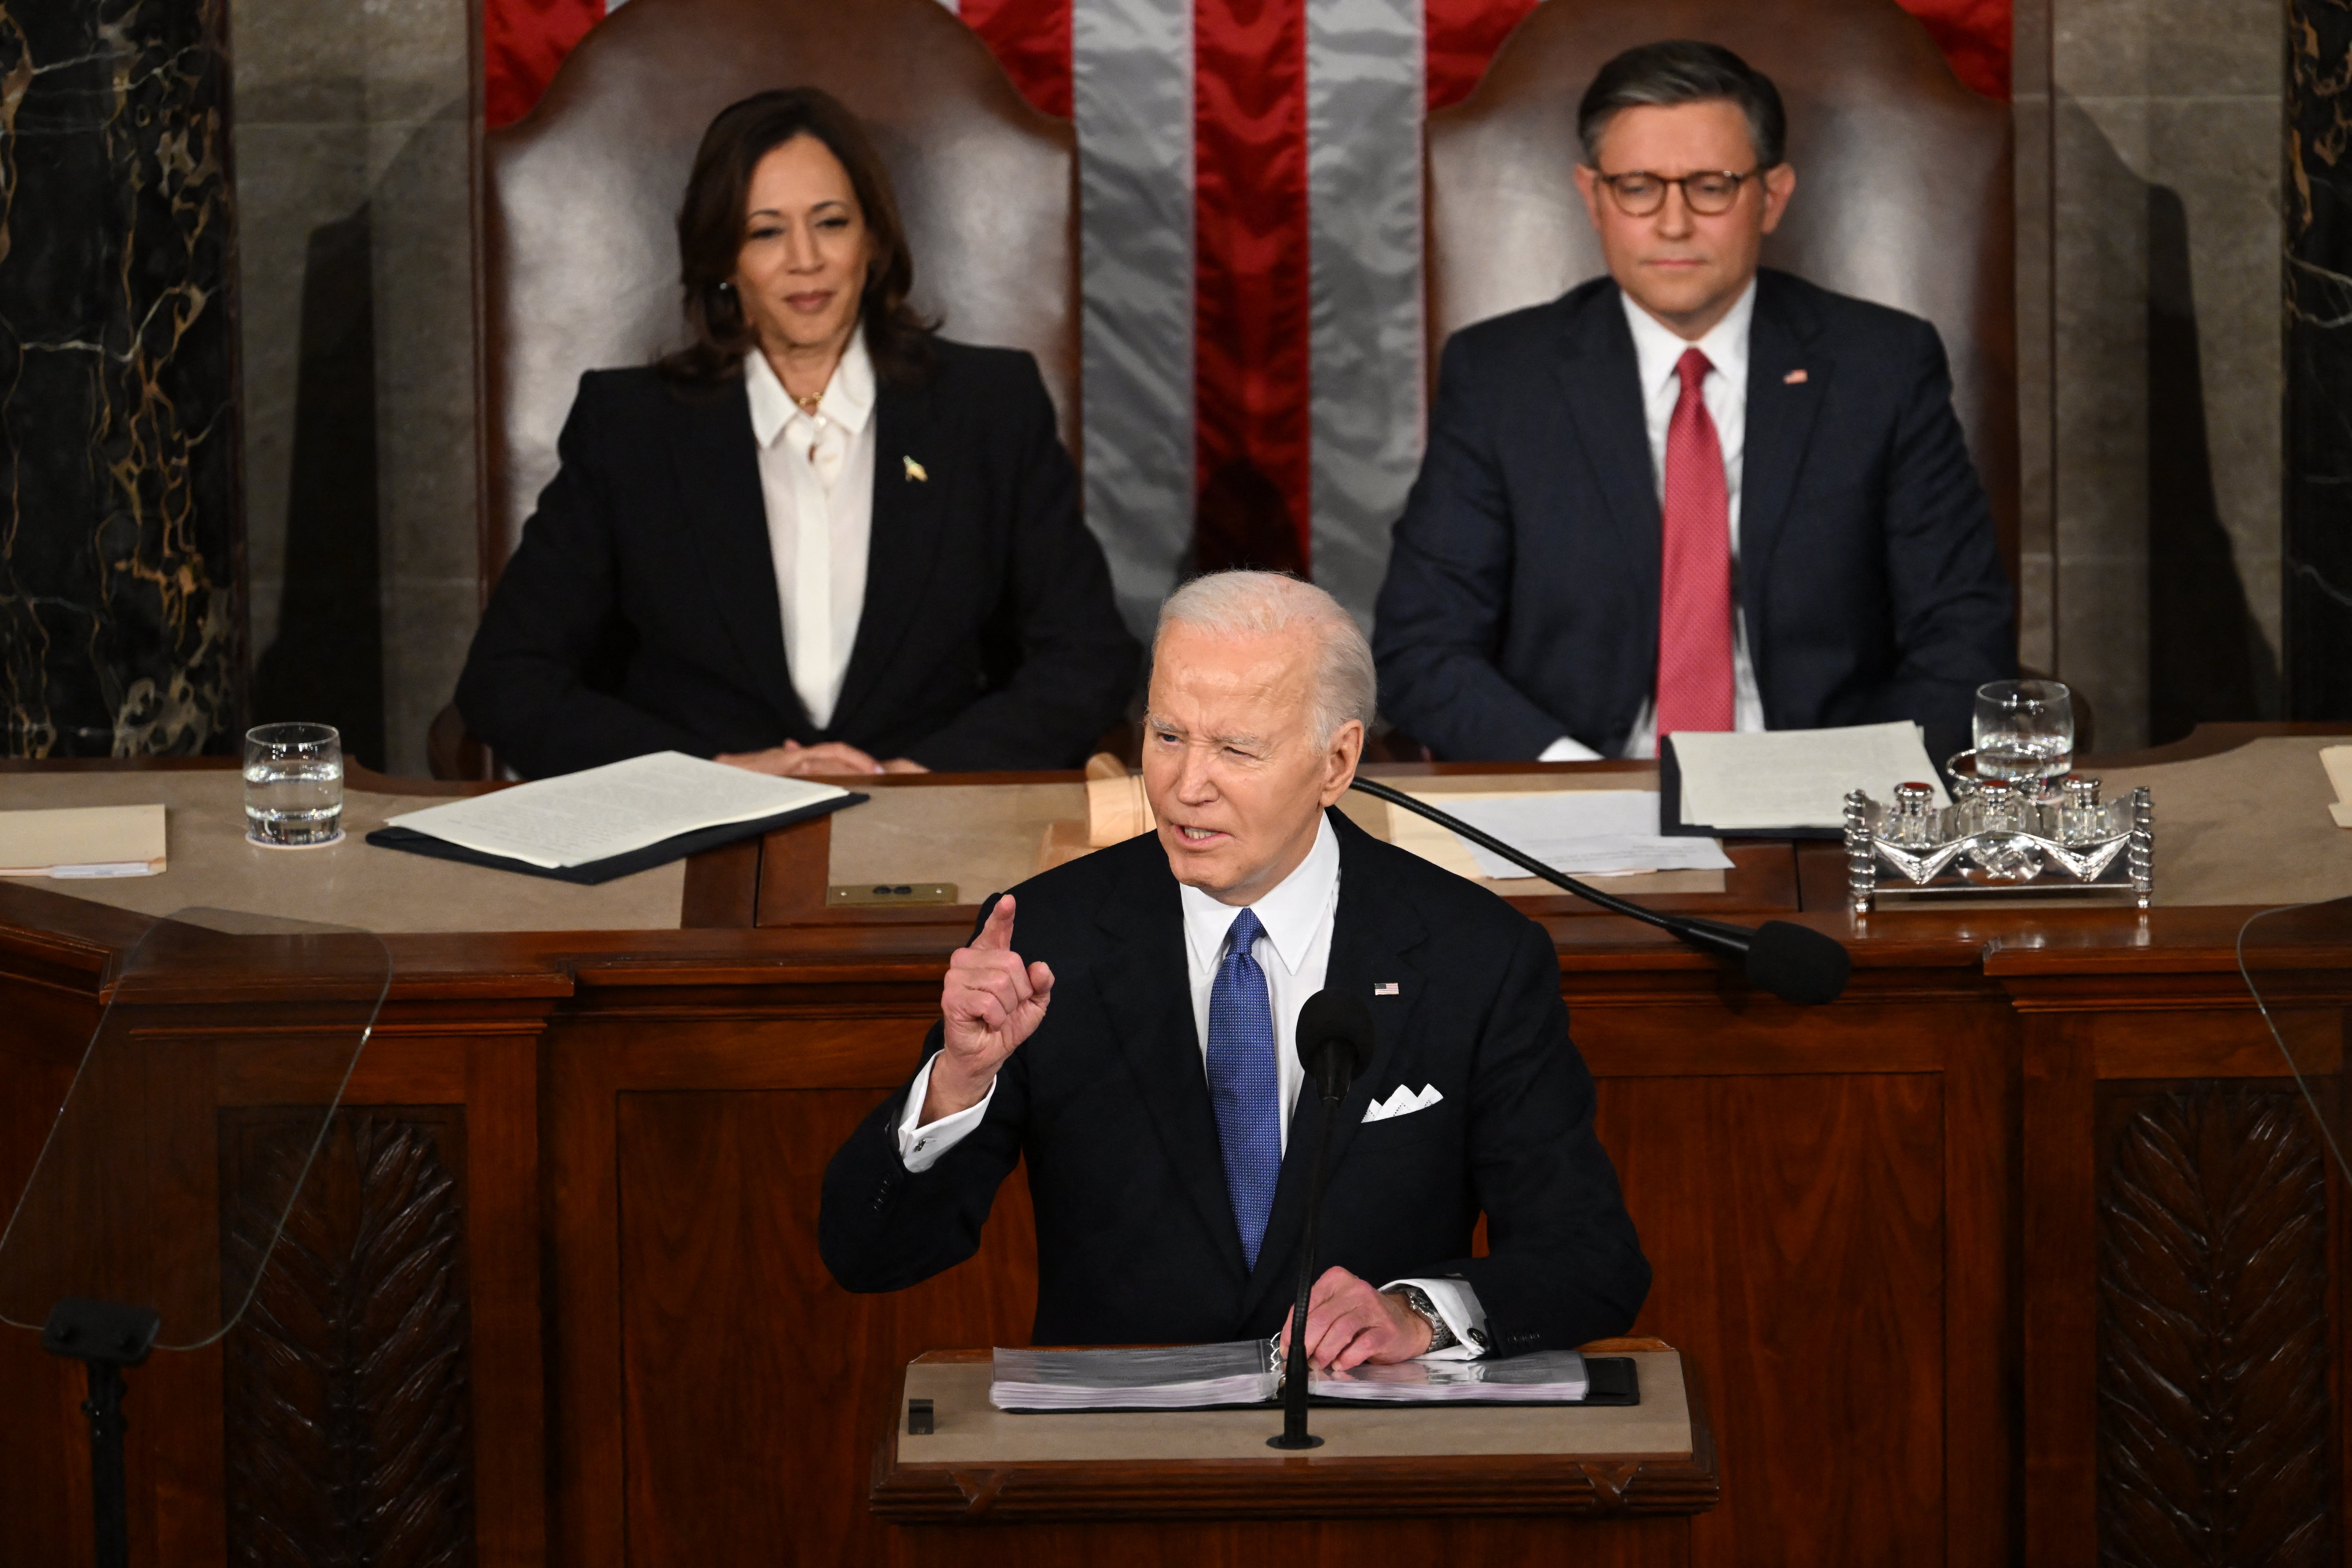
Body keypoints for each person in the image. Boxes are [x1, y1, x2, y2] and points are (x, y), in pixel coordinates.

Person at [820, 571, 1648, 1366]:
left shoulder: (1476, 956)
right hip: (1117, 1476)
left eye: (1237, 750)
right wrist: (958, 1083)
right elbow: (869, 1255)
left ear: (1337, 762)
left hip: (1370, 1463)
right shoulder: (1047, 940)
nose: (1185, 786)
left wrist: (1417, 1316)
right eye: (1168, 735)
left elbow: (1589, 1258)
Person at [455, 88, 1139, 780]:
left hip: (931, 834)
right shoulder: (628, 427)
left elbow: (1089, 657)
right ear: (724, 259)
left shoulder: (990, 409)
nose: (804, 259)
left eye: (831, 223)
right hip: (698, 837)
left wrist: (922, 778)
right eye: (766, 232)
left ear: (871, 242)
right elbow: (506, 679)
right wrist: (708, 775)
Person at [1372, 41, 2014, 771]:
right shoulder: (1502, 377)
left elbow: (1964, 638)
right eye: (1638, 187)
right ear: (1593, 198)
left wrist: (1829, 787)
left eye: (1711, 186)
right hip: (1578, 795)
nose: (1673, 223)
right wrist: (1572, 780)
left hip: (1823, 806)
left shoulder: (1882, 369)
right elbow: (1421, 647)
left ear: (1771, 198)